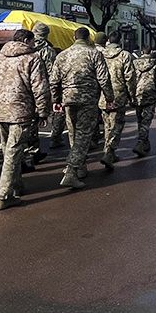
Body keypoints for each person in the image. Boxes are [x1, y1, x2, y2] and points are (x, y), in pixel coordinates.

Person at [0, 29, 50, 210]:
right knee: (12, 153)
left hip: (0, 112)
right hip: (21, 113)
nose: (34, 45)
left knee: (9, 150)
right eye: (32, 42)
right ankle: (4, 195)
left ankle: (16, 185)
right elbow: (40, 88)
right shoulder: (32, 59)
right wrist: (43, 112)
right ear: (26, 41)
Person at [51, 27, 114, 190]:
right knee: (84, 135)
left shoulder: (62, 55)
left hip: (68, 99)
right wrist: (109, 98)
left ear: (74, 37)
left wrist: (56, 99)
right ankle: (72, 171)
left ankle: (81, 166)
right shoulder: (94, 54)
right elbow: (103, 78)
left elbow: (54, 80)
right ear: (88, 39)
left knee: (73, 133)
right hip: (88, 99)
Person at [98, 31, 137, 170]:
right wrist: (132, 96)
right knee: (117, 125)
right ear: (120, 41)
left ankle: (108, 151)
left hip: (103, 95)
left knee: (107, 125)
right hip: (119, 95)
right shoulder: (125, 55)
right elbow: (130, 78)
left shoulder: (100, 54)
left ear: (108, 40)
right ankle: (109, 152)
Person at [29, 22, 59, 165]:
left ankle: (29, 149)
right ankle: (33, 151)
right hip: (40, 88)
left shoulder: (25, 45)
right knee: (36, 120)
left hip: (23, 89)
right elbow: (51, 74)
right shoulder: (48, 51)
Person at [130, 49, 156, 157]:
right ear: (150, 52)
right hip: (150, 94)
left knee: (140, 120)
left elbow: (130, 79)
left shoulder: (134, 64)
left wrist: (130, 95)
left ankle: (145, 142)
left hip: (137, 94)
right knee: (146, 120)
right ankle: (141, 142)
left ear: (142, 52)